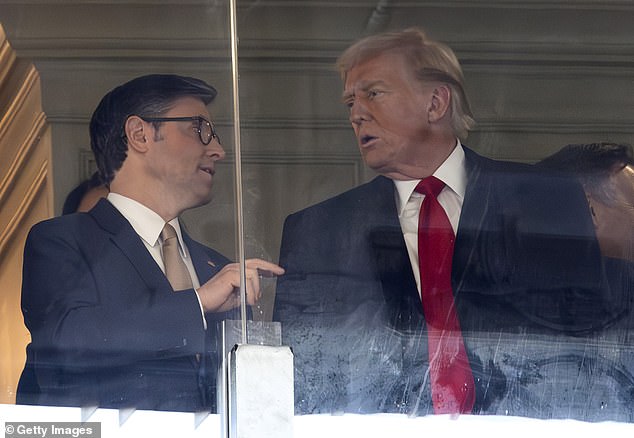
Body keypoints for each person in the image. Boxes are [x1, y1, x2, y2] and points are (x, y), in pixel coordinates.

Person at [273, 28, 610, 418]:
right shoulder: (317, 232)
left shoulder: (546, 202)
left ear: (435, 102)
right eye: (350, 100)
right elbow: (309, 379)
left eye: (373, 93)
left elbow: (593, 351)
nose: (356, 113)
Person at [17, 74, 284, 412]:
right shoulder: (61, 241)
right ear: (140, 134)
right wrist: (197, 304)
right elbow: (68, 345)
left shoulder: (215, 267)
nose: (218, 150)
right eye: (200, 129)